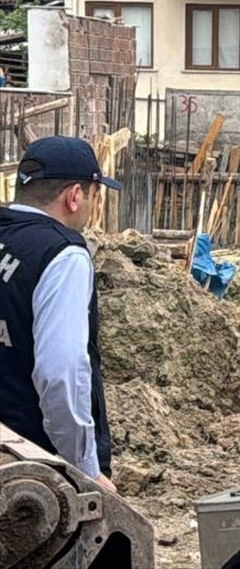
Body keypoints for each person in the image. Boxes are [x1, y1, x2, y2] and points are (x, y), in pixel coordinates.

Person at [0, 136, 121, 494]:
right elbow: (61, 371)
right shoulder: (61, 255)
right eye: (94, 196)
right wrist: (84, 469)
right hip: (37, 473)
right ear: (74, 196)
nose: (92, 207)